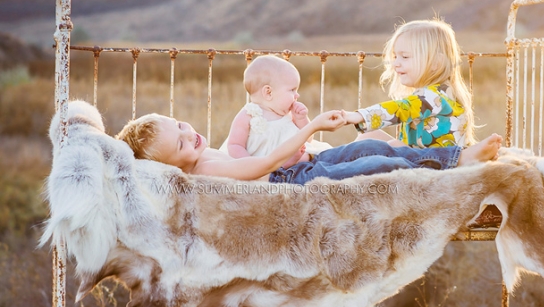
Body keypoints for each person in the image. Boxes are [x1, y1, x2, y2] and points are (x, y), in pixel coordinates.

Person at [116, 109, 502, 184]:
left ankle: (455, 157)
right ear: (172, 166)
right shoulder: (204, 170)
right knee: (368, 167)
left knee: (371, 146)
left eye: (181, 125)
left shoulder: (203, 154)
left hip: (300, 167)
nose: (190, 135)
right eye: (180, 143)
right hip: (292, 181)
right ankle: (451, 171)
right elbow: (266, 163)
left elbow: (246, 150)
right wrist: (313, 127)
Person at [343, 19, 475, 148]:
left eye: (405, 57)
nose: (395, 63)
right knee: (368, 136)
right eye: (395, 57)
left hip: (434, 161)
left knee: (394, 145)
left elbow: (400, 109)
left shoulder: (435, 97)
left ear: (436, 63)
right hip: (421, 155)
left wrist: (358, 116)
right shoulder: (439, 92)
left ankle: (336, 163)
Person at [219, 55, 330, 167]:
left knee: (310, 155)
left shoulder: (289, 114)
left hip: (292, 166)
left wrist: (301, 119)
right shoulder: (248, 115)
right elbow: (235, 145)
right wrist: (251, 166)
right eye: (292, 90)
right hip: (261, 167)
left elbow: (308, 139)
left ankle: (293, 164)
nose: (297, 95)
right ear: (268, 92)